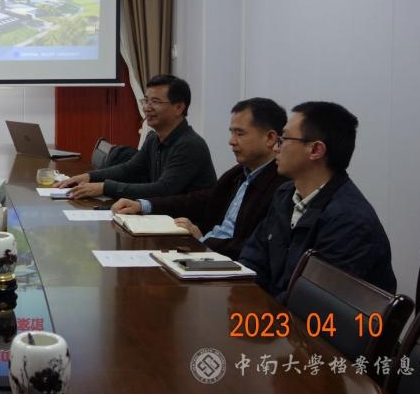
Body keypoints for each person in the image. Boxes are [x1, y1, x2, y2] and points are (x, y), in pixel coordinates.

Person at [239, 102, 396, 300]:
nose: (276, 147)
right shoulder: (285, 195)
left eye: (284, 139)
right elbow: (253, 258)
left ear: (315, 150)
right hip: (271, 310)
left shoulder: (349, 221)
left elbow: (311, 301)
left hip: (313, 319)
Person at [112, 98, 289, 259]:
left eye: (240, 134)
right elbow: (200, 200)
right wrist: (143, 205)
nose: (231, 141)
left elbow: (257, 247)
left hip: (229, 263)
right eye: (231, 133)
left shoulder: (282, 186)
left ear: (270, 138)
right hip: (207, 251)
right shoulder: (240, 173)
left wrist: (203, 241)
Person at [55, 74, 217, 199]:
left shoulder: (189, 145)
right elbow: (129, 169)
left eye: (155, 102)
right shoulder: (153, 138)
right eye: (146, 100)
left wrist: (105, 187)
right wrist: (88, 177)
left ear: (179, 108)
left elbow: (163, 189)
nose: (147, 107)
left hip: (189, 226)